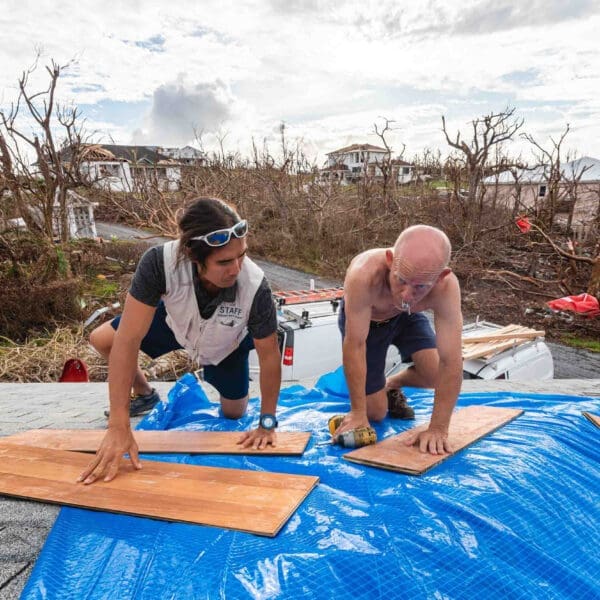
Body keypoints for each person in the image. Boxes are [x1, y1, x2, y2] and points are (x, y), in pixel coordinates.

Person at [79, 197, 282, 484]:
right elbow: (128, 339)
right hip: (177, 321)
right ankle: (147, 394)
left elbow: (270, 356)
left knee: (234, 412)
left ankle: (234, 393)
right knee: (103, 339)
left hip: (227, 341)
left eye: (242, 255)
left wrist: (267, 422)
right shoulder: (159, 263)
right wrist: (118, 425)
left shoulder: (255, 285)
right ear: (192, 255)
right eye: (224, 261)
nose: (236, 268)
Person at [336, 224, 463, 455]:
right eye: (401, 280)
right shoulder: (364, 275)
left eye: (420, 287)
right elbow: (355, 345)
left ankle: (391, 384)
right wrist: (357, 413)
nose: (406, 294)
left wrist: (438, 428)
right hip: (369, 322)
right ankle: (375, 396)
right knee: (375, 413)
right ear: (389, 260)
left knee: (434, 372)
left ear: (441, 277)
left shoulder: (446, 287)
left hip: (406, 317)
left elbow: (452, 359)